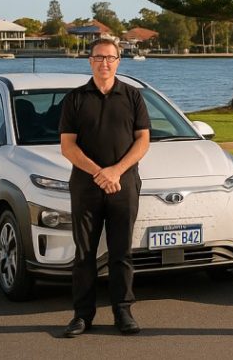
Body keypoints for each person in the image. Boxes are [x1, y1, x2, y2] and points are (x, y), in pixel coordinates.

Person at [59, 37, 150, 338]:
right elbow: (68, 147)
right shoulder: (74, 99)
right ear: (90, 61)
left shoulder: (133, 96)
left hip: (123, 185)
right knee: (84, 253)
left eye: (110, 58)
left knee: (121, 252)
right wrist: (100, 173)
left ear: (118, 61)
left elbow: (143, 140)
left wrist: (116, 171)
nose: (105, 63)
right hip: (86, 186)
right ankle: (82, 316)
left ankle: (123, 312)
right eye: (99, 57)